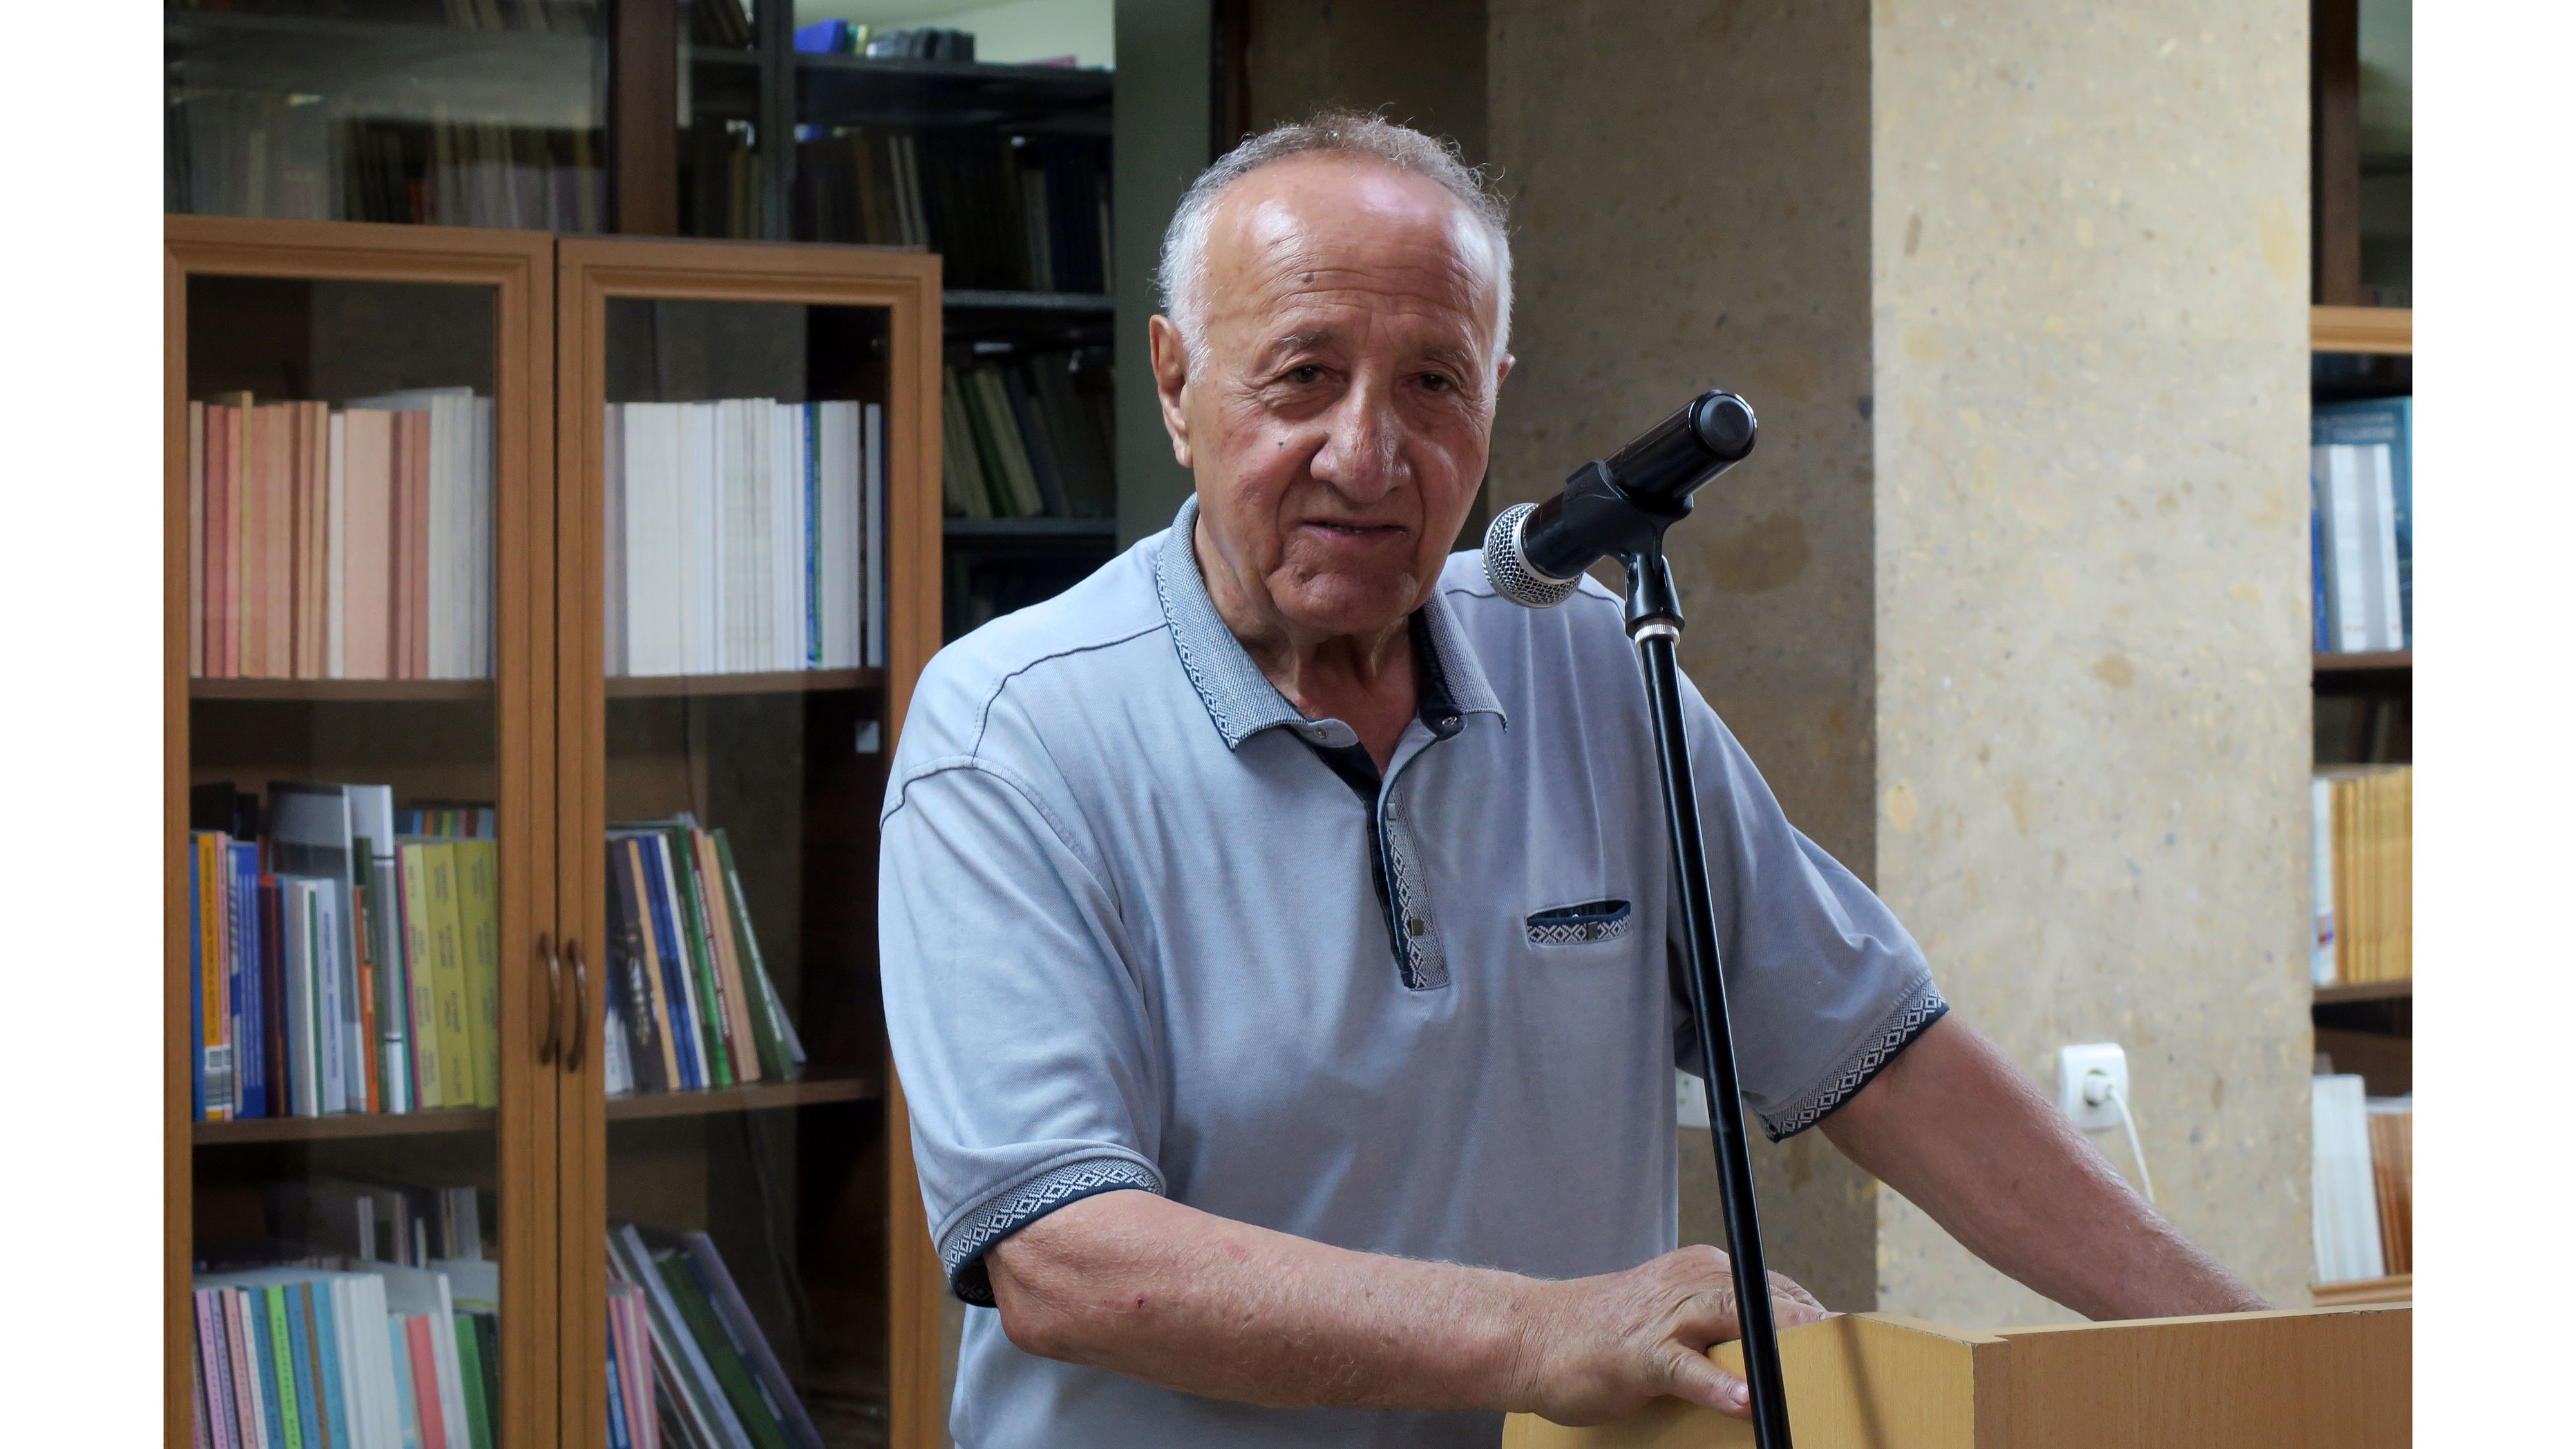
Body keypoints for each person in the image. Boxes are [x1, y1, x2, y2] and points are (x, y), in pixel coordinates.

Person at [877, 111, 2262, 1448]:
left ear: (1496, 393)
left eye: (1434, 383)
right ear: (1175, 384)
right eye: (1302, 375)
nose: (1368, 455)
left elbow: (1879, 1058)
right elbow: (1064, 1259)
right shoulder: (1009, 732)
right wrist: (1543, 1332)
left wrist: (2262, 1364)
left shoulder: (1587, 657)